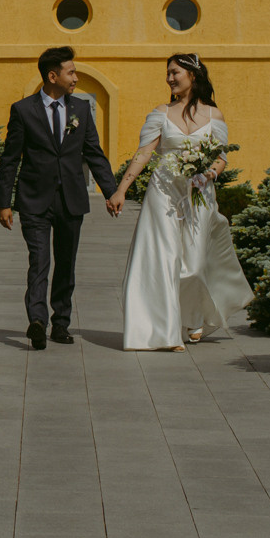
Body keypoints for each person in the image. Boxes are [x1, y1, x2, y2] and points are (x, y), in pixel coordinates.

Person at [107, 53, 254, 350]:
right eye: (168, 73)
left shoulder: (214, 115)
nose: (170, 78)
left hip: (198, 194)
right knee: (163, 260)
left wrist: (209, 175)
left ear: (193, 75)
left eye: (175, 72)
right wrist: (121, 189)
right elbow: (144, 152)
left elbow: (221, 157)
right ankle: (164, 331)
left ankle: (193, 315)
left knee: (195, 264)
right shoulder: (160, 113)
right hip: (163, 192)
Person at [0, 46, 120, 350]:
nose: (76, 77)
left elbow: (94, 153)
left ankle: (60, 323)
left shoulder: (80, 109)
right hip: (34, 200)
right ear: (53, 76)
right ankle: (37, 321)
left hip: (71, 200)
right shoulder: (23, 110)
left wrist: (111, 190)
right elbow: (10, 158)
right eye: (71, 72)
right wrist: (4, 202)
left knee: (66, 263)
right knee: (39, 261)